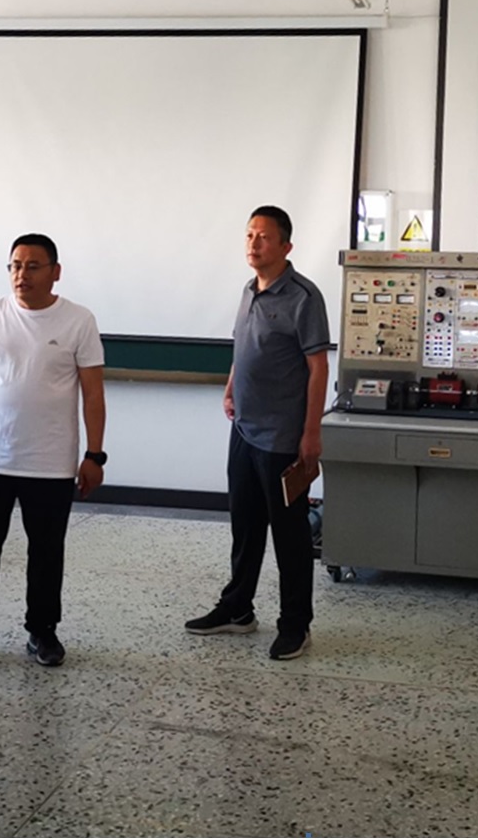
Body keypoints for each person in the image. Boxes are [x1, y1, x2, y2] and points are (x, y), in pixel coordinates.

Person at [0, 233, 106, 673]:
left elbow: (93, 393)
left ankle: (42, 630)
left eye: (32, 266)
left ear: (55, 272)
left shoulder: (78, 320)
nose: (21, 274)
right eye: (14, 265)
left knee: (46, 551)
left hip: (51, 461)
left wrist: (95, 455)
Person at [184, 206, 330, 660]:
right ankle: (238, 608)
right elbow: (242, 347)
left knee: (289, 536)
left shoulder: (304, 297)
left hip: (283, 438)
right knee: (245, 527)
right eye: (249, 235)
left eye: (263, 237)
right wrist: (231, 387)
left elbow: (318, 368)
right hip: (245, 431)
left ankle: (295, 625)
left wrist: (310, 434)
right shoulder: (249, 290)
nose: (253, 243)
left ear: (286, 246)